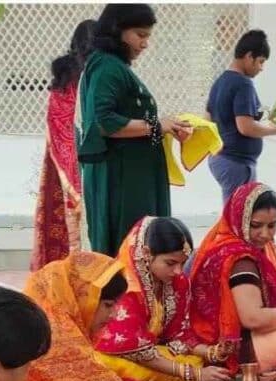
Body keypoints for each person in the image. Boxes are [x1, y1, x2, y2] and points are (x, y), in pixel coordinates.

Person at [14, 251, 207, 381]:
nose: (115, 314)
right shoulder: (53, 334)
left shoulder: (64, 324)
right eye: (108, 305)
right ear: (82, 299)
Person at [77, 4, 192, 256]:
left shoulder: (114, 66)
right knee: (131, 247)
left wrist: (166, 126)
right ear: (117, 30)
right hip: (122, 180)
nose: (145, 44)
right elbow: (105, 121)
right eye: (140, 35)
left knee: (141, 245)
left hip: (130, 174)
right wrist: (157, 126)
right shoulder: (107, 66)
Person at [189, 182, 276, 372]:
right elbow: (253, 319)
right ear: (239, 219)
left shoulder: (235, 247)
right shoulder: (240, 259)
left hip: (243, 338)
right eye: (256, 225)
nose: (265, 234)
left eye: (272, 225)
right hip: (231, 351)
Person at [95, 217, 234, 381]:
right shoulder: (127, 285)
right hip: (119, 356)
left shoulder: (177, 282)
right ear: (147, 253)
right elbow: (133, 349)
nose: (178, 271)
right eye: (170, 263)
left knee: (194, 360)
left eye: (183, 263)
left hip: (152, 351)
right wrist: (194, 374)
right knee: (125, 371)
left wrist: (211, 352)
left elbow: (177, 334)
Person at [31, 19, 96, 271]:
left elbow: (57, 121)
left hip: (68, 162)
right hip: (84, 163)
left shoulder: (64, 78)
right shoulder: (89, 76)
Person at [205, 30, 276, 203]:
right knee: (238, 214)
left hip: (221, 159)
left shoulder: (220, 81)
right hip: (236, 162)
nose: (261, 68)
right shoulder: (243, 84)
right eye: (260, 61)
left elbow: (207, 118)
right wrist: (273, 129)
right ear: (249, 56)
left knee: (237, 211)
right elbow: (246, 127)